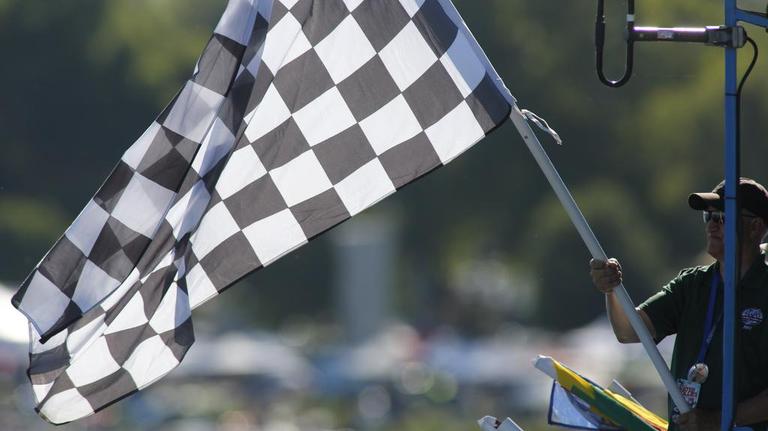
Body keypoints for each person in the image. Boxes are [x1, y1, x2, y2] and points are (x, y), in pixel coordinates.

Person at [590, 177, 768, 431]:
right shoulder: (692, 284)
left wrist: (718, 420)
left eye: (723, 218)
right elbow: (628, 331)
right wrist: (611, 289)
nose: (712, 226)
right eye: (709, 217)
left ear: (755, 227)